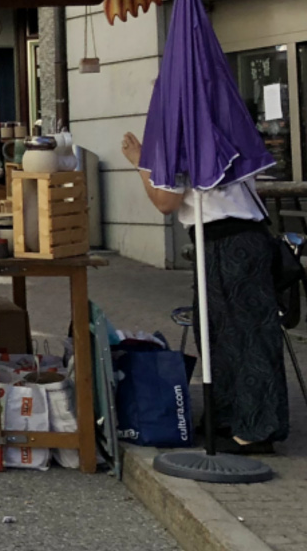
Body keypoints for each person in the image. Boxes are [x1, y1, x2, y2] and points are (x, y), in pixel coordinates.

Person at [121, 131, 289, 453]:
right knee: (227, 335)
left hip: (222, 241)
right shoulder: (224, 131)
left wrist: (140, 162)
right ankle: (230, 419)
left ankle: (254, 429)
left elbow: (166, 202)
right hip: (246, 237)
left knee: (238, 339)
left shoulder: (180, 137)